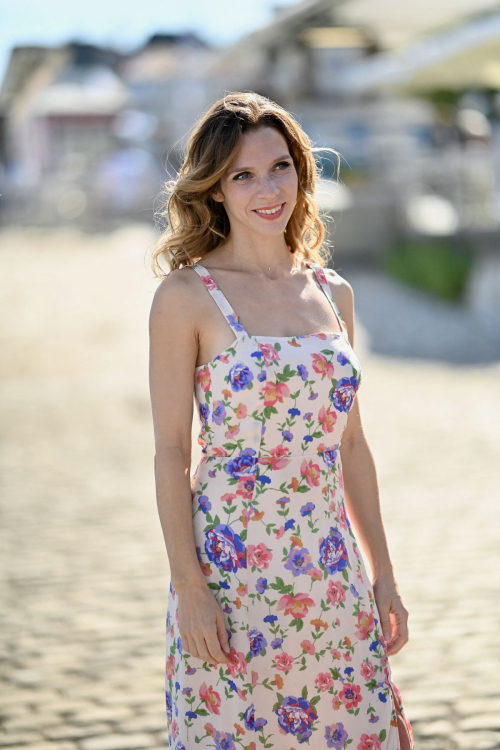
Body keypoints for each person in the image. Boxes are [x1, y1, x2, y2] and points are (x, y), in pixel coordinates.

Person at [148, 92, 415, 750]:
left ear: (302, 171)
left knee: (362, 731)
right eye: (242, 175)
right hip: (233, 572)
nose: (268, 190)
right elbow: (169, 452)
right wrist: (190, 587)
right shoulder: (187, 296)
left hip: (329, 568)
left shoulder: (334, 293)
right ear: (214, 191)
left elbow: (350, 445)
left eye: (280, 168)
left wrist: (382, 575)